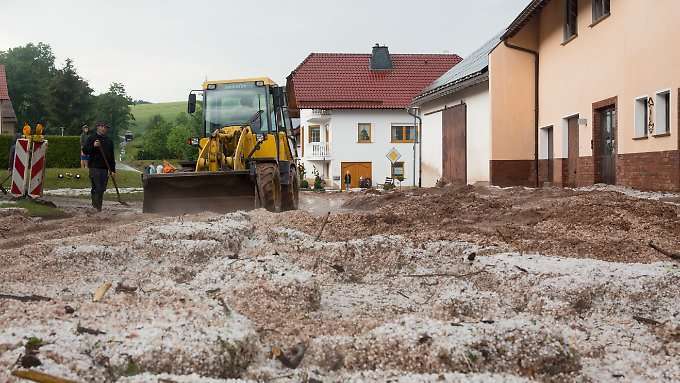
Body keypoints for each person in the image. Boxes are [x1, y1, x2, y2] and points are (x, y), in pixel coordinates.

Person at [83, 122, 115, 211]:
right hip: (94, 167)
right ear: (98, 127)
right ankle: (95, 206)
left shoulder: (109, 141)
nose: (104, 129)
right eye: (102, 127)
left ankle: (98, 207)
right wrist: (93, 146)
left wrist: (113, 170)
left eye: (105, 127)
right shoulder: (92, 138)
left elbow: (111, 157)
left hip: (105, 168)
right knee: (97, 187)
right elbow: (85, 150)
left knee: (102, 189)